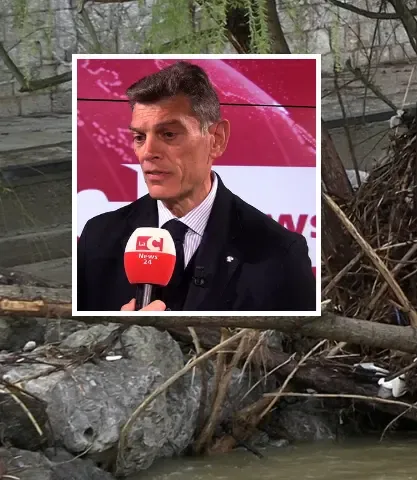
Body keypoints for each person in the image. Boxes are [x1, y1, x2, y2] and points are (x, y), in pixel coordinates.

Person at [75, 61, 316, 313]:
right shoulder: (98, 238)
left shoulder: (279, 254)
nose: (148, 152)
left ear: (216, 139)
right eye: (139, 137)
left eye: (169, 134)